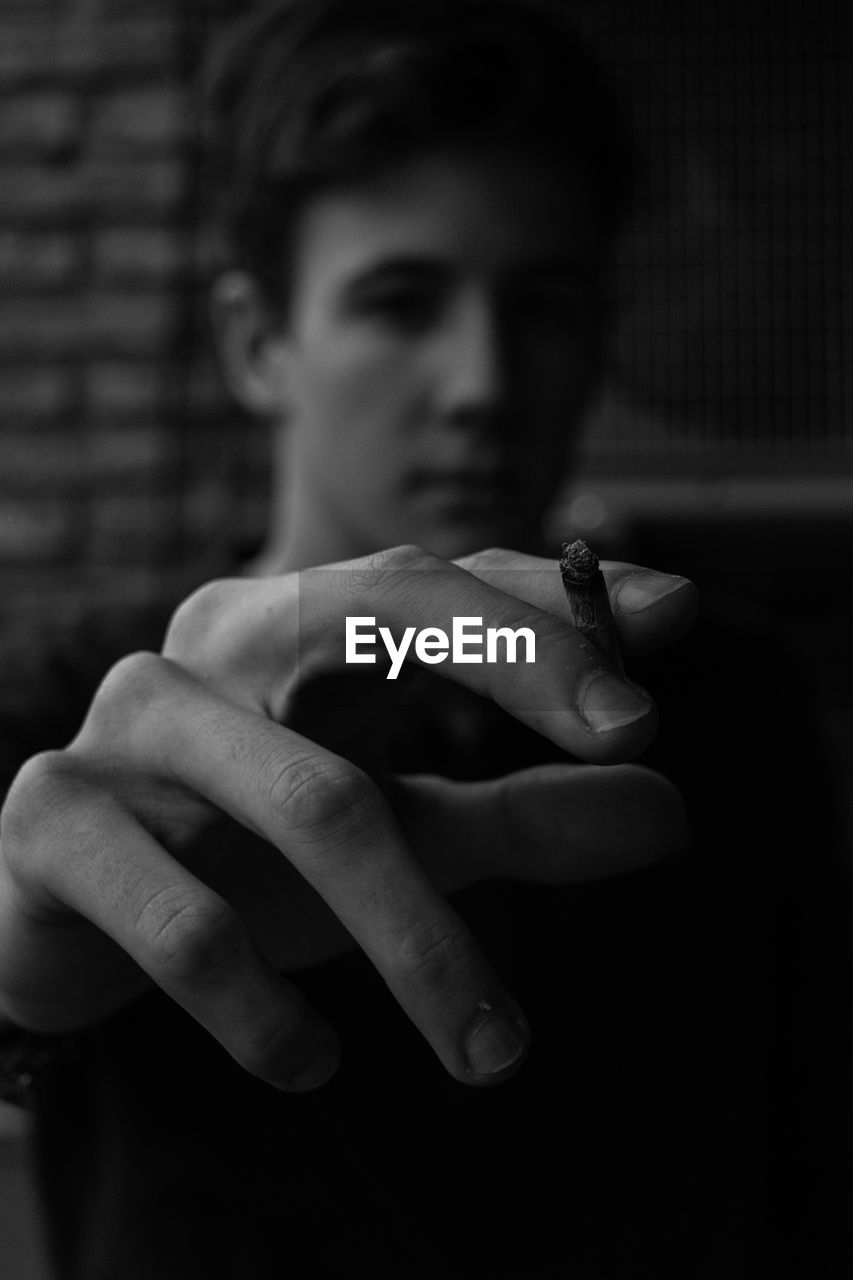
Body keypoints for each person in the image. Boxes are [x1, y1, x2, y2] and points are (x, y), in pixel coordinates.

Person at [0, 1, 847, 1275]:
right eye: (401, 302)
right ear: (256, 342)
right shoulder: (78, 715)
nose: (483, 384)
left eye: (545, 305)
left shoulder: (731, 699)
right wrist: (18, 979)